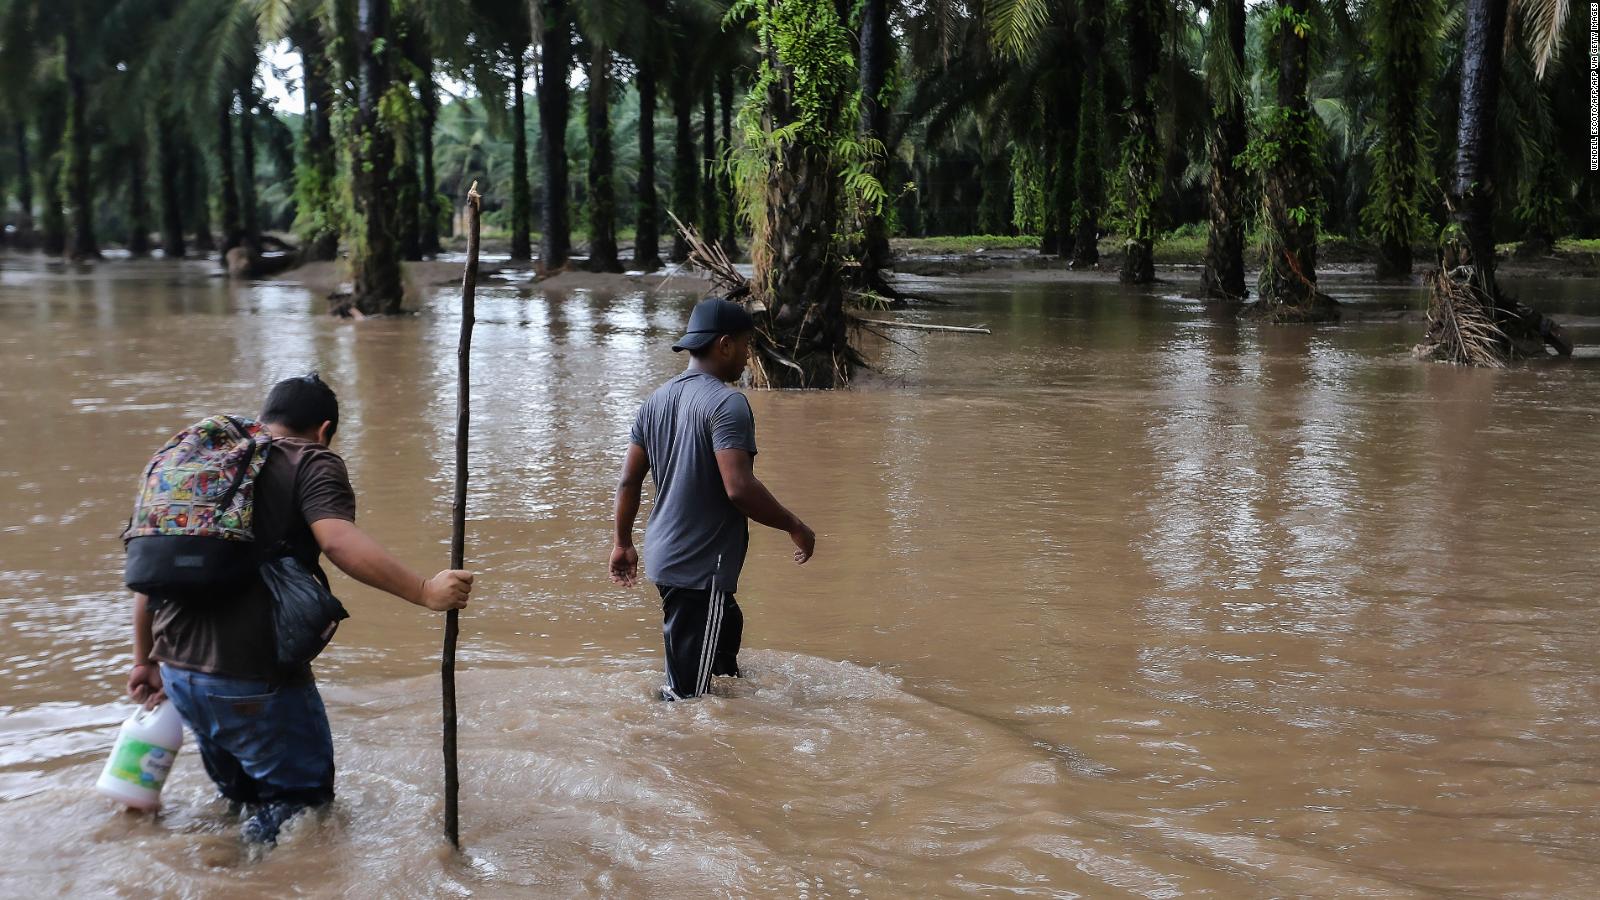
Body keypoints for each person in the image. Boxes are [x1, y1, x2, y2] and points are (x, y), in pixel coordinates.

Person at [124, 374, 474, 844]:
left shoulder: (199, 466)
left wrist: (144, 660)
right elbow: (338, 540)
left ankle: (220, 871)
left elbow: (151, 570)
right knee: (300, 809)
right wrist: (425, 590)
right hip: (252, 679)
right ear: (325, 428)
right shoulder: (311, 459)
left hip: (178, 675)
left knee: (241, 802)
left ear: (266, 417)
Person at [610, 297, 816, 701]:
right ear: (724, 344)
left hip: (669, 555)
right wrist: (795, 525)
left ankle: (725, 729)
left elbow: (628, 482)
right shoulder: (726, 403)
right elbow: (738, 487)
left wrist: (622, 543)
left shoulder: (654, 402)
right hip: (699, 566)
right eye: (745, 345)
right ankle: (676, 754)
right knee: (687, 699)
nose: (746, 357)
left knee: (724, 650)